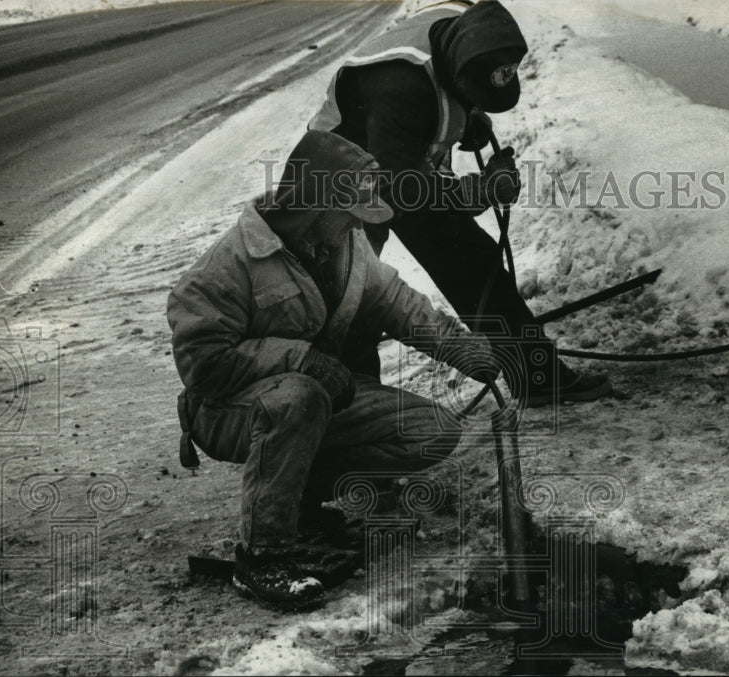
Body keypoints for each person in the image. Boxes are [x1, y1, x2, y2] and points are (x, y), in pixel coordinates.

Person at [166, 130, 495, 611]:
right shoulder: (227, 265)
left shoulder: (346, 243)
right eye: (350, 216)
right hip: (228, 411)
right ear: (317, 205)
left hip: (312, 401)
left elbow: (395, 302)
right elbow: (203, 364)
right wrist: (299, 358)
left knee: (432, 431)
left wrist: (460, 348)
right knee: (298, 397)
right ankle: (261, 556)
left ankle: (300, 499)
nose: (357, 227)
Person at [307, 0, 611, 406]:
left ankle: (538, 378)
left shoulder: (461, 24)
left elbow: (443, 98)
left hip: (391, 158)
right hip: (336, 183)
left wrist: (470, 118)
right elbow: (401, 189)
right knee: (352, 298)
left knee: (474, 260)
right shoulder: (399, 85)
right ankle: (352, 415)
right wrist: (477, 192)